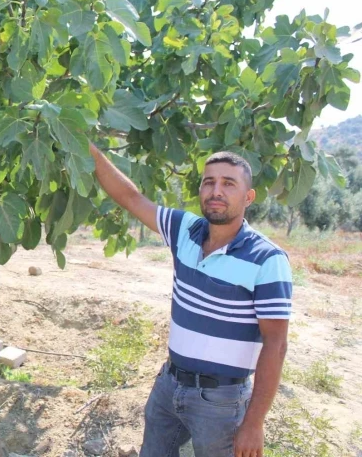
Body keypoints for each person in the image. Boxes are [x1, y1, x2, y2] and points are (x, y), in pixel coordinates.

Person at [89, 145, 292, 457]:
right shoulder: (184, 230)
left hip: (222, 401)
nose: (216, 191)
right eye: (208, 182)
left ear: (248, 197)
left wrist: (254, 423)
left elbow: (276, 343)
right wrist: (86, 147)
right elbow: (130, 198)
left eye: (228, 184)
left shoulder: (267, 259)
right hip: (169, 384)